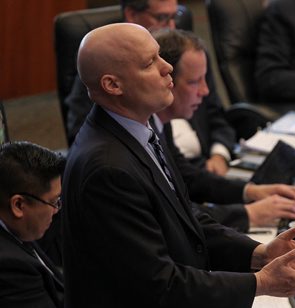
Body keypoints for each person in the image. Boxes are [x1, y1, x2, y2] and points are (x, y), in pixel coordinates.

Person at [62, 23, 295, 308]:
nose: (167, 67)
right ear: (113, 85)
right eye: (150, 62)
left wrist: (258, 253)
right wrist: (261, 283)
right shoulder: (107, 169)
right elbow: (159, 284)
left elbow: (183, 218)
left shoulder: (138, 132)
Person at [151, 28, 295, 231]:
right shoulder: (146, 130)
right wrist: (250, 214)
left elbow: (188, 177)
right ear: (165, 80)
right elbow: (173, 213)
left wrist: (251, 191)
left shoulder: (161, 124)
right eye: (194, 82)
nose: (205, 91)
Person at [66, 0, 235, 179]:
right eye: (162, 17)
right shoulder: (103, 71)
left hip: (204, 170)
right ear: (132, 15)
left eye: (175, 16)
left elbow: (215, 113)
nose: (172, 25)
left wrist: (220, 155)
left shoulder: (192, 55)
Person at [0, 141, 65, 308]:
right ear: (19, 205)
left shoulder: (19, 228)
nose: (56, 211)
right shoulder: (8, 266)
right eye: (53, 202)